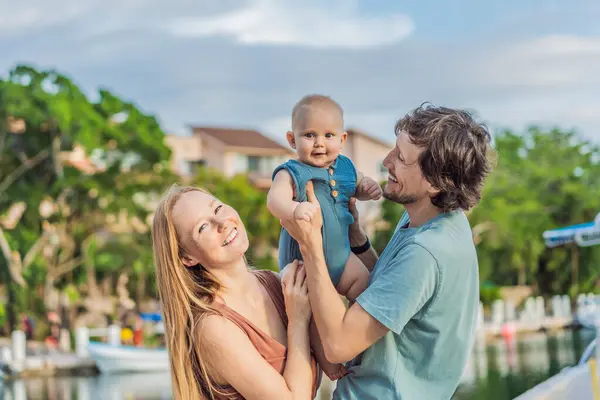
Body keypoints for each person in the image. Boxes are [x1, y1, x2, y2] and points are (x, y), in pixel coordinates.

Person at [280, 104, 494, 399]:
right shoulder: (435, 220)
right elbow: (393, 292)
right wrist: (358, 239)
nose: (386, 161)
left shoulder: (427, 252)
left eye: (401, 158)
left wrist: (311, 246)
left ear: (434, 183)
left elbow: (339, 345)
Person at [151, 185, 320, 400]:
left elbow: (337, 353)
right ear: (187, 258)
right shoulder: (212, 327)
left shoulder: (276, 283)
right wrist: (298, 321)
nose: (222, 223)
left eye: (218, 208)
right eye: (203, 227)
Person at [267, 94, 382, 379]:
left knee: (365, 283)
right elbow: (274, 200)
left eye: (328, 135)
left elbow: (358, 183)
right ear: (292, 140)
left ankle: (362, 334)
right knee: (313, 319)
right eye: (309, 135)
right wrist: (295, 208)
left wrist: (366, 188)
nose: (319, 143)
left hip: (342, 258)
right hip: (303, 264)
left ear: (342, 139)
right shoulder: (292, 172)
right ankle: (330, 365)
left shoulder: (345, 167)